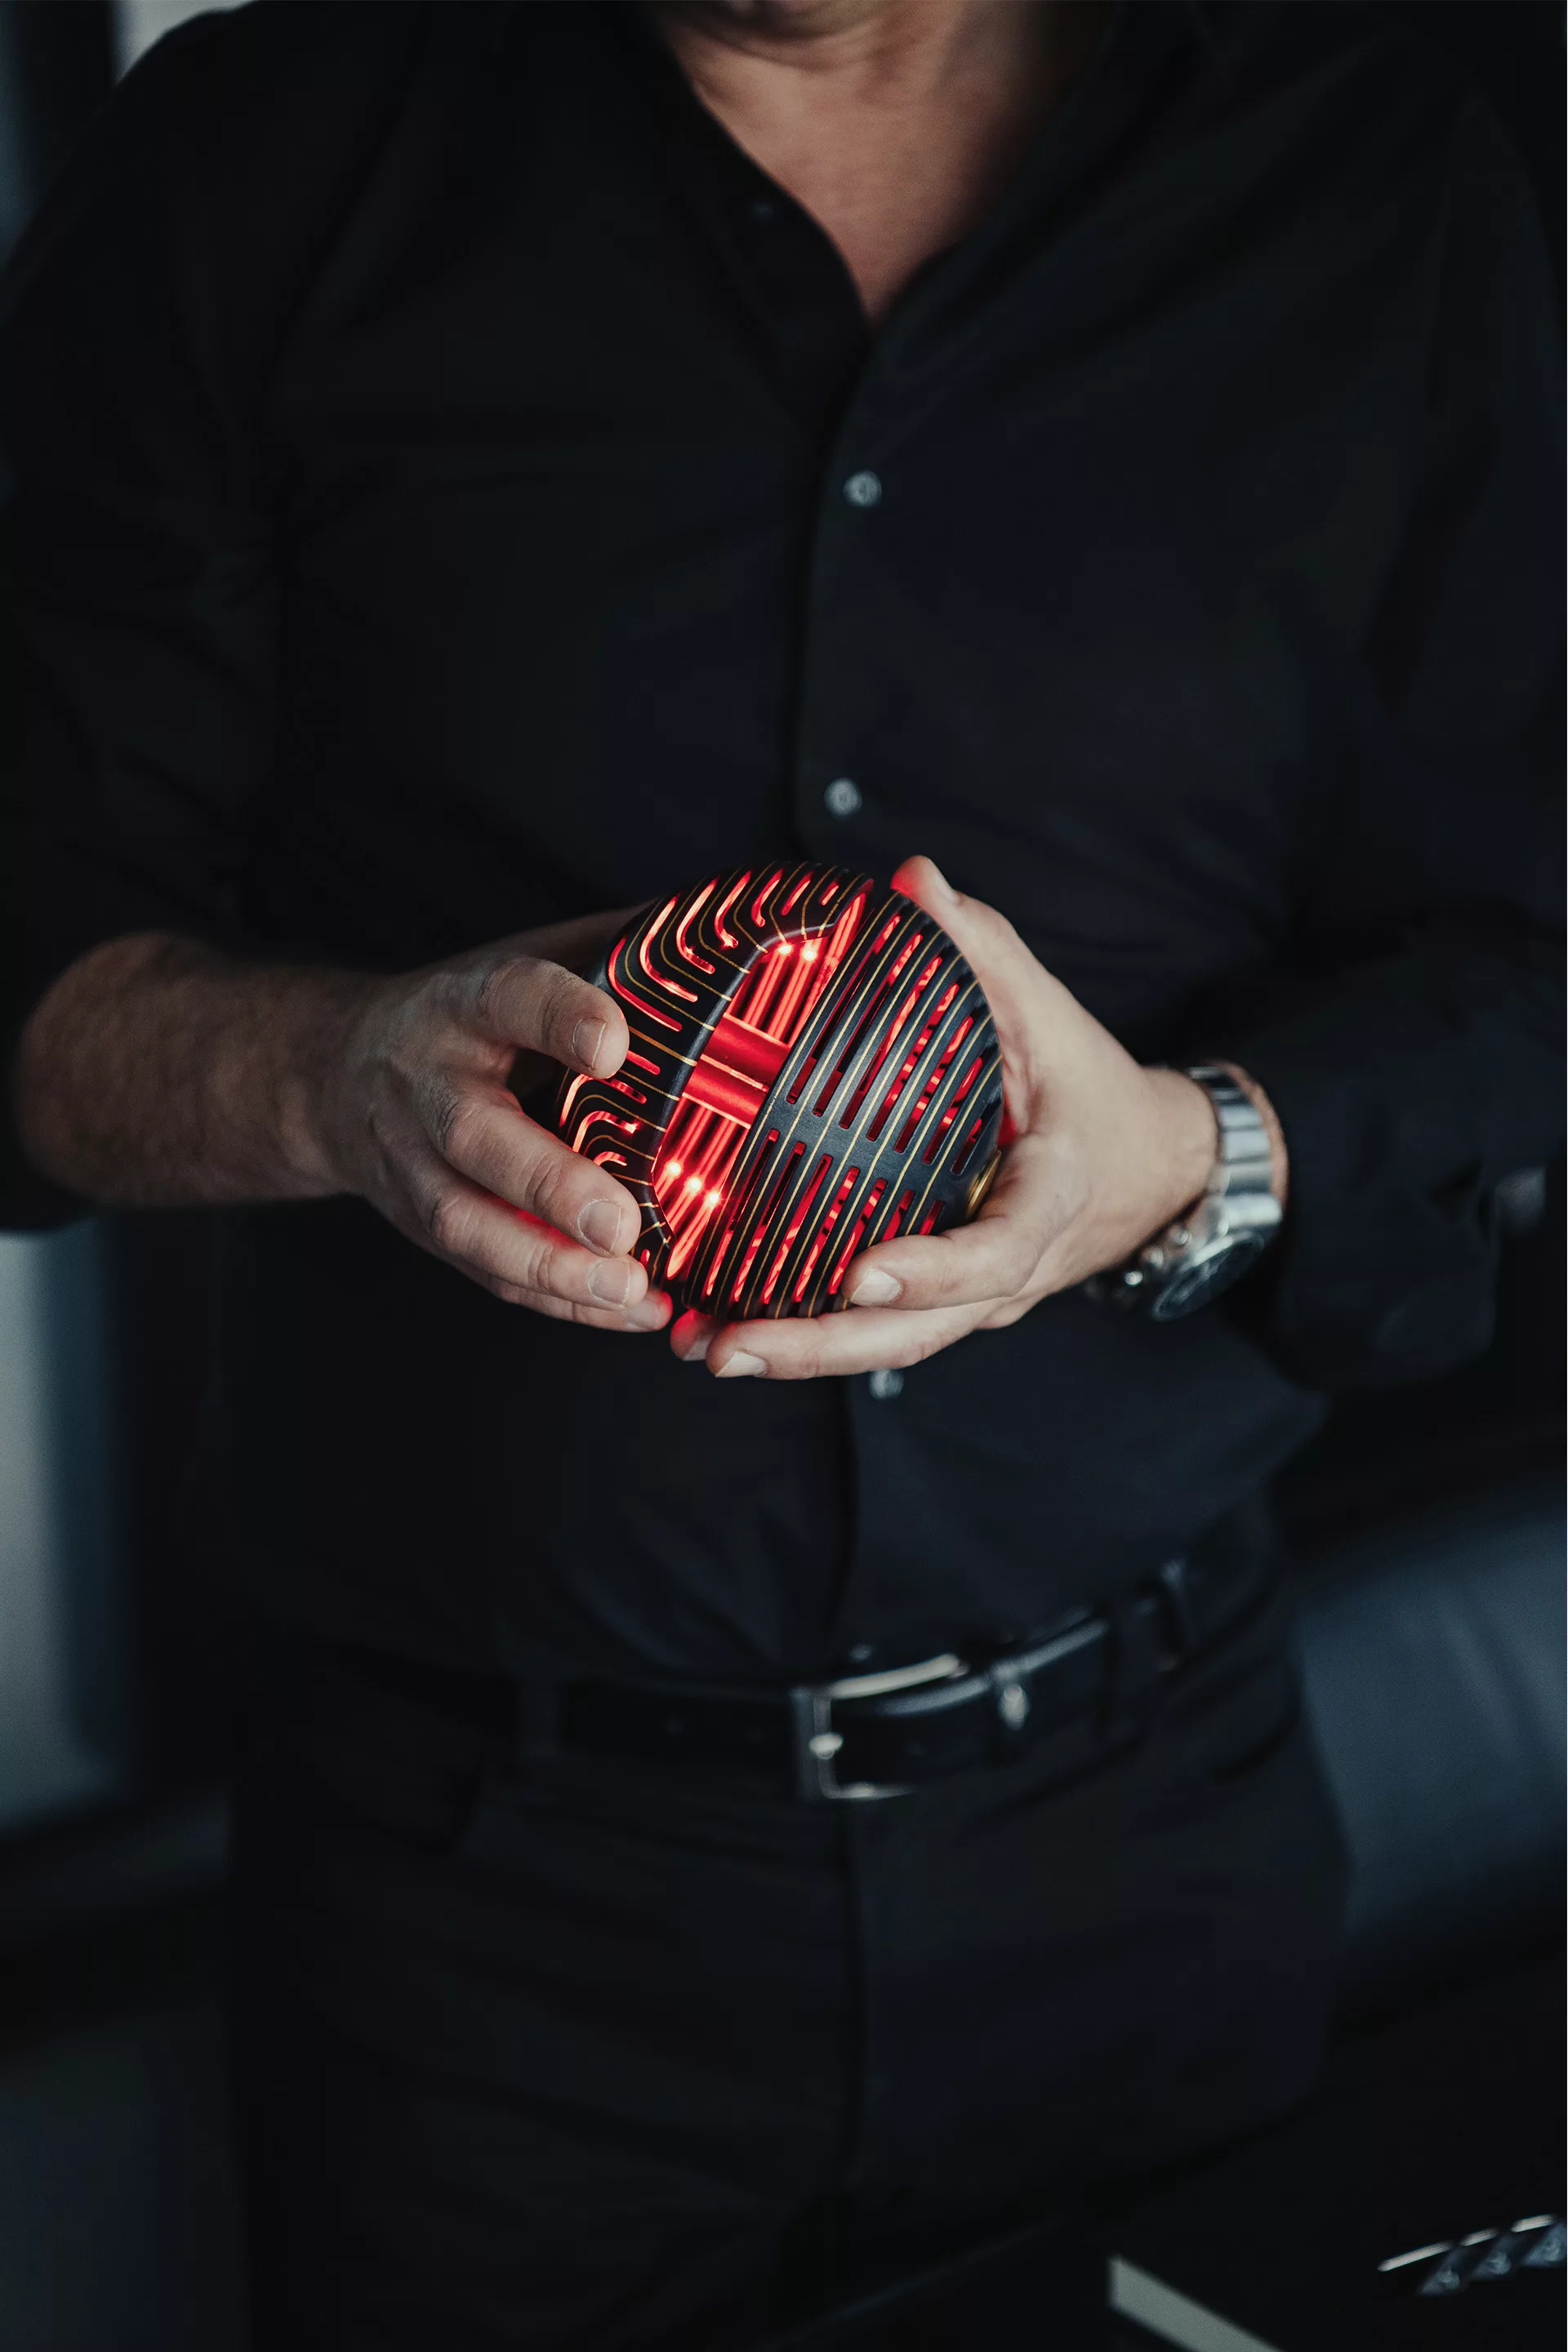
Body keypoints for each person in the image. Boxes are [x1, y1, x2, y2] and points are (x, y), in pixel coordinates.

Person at [2, 2, 1560, 2344]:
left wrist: (1183, 1153)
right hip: (483, 1914)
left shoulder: (1365, 161)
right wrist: (339, 1075)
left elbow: (1523, 958)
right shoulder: (265, 150)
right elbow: (25, 969)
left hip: (1152, 1829)